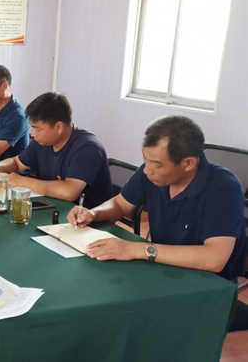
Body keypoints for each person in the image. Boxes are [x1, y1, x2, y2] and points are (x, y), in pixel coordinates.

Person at [67, 115, 247, 331]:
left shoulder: (224, 188)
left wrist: (138, 249)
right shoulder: (152, 174)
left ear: (188, 163)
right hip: (161, 270)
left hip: (206, 288)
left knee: (125, 319)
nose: (146, 170)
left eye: (157, 165)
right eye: (145, 160)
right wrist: (93, 213)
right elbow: (120, 204)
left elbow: (214, 258)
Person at [0, 92, 113, 208]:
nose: (32, 134)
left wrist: (22, 181)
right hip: (52, 208)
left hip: (88, 220)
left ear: (58, 127)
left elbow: (69, 192)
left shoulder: (88, 148)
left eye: (37, 129)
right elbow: (17, 163)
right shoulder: (43, 142)